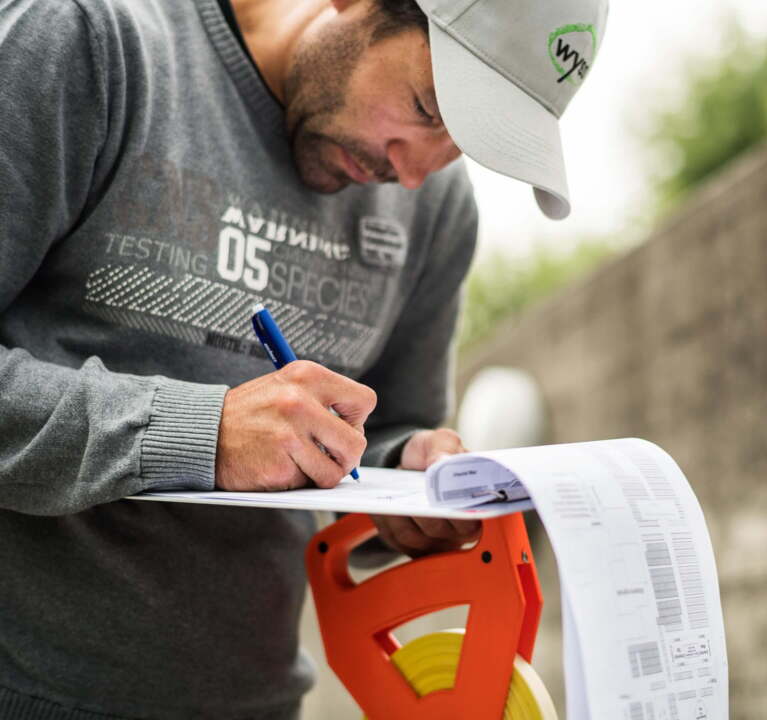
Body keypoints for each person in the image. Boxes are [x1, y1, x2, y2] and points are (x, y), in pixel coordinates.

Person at [0, 0, 607, 716]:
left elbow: (385, 436)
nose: (413, 173)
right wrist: (202, 433)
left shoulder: (437, 211)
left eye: (463, 144)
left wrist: (406, 479)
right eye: (427, 107)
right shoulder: (88, 45)